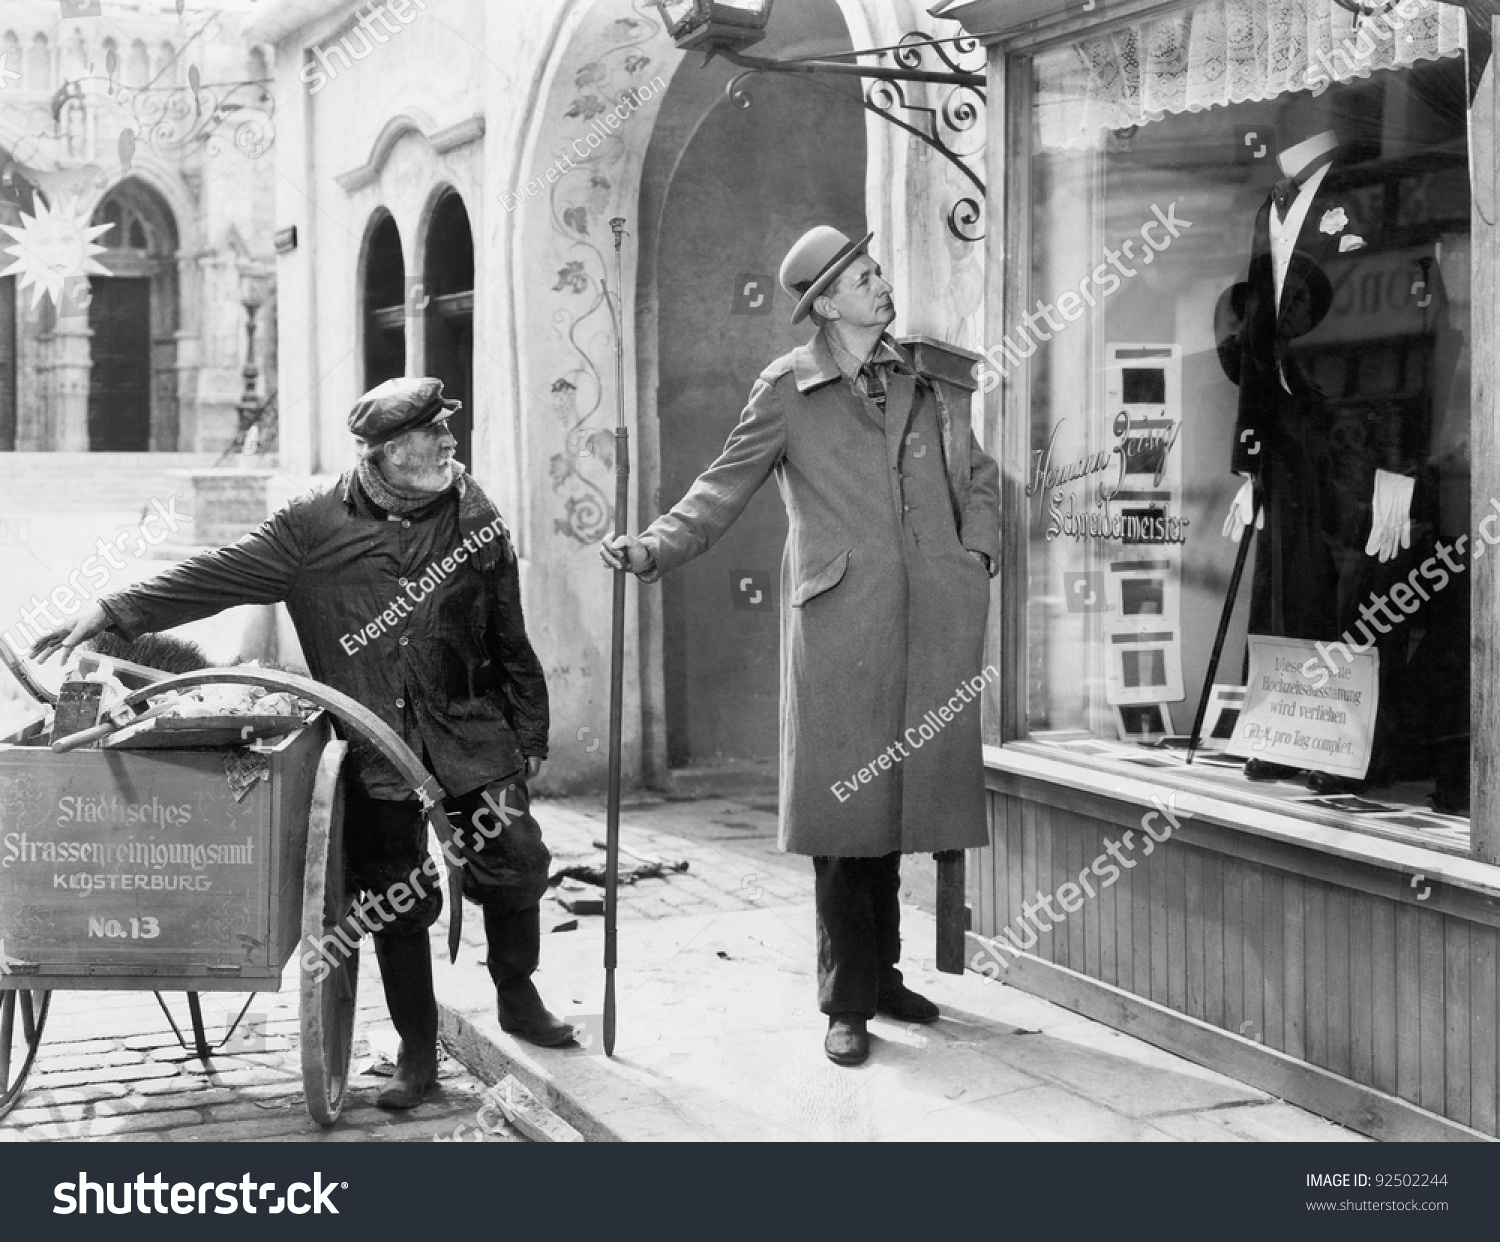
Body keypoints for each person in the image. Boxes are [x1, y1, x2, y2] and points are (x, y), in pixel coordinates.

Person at [33, 377, 575, 1110]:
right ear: (389, 452)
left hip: (469, 731)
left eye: (448, 431)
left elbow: (510, 634)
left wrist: (529, 730)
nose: (452, 443)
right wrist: (112, 607)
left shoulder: (474, 519)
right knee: (392, 893)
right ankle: (419, 1053)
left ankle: (517, 993)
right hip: (374, 741)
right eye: (433, 435)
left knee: (517, 863)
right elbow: (213, 576)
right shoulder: (312, 527)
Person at [601, 226, 1000, 1066]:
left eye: (878, 269)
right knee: (846, 815)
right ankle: (844, 1002)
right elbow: (721, 487)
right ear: (824, 304)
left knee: (898, 808)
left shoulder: (926, 375)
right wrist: (654, 547)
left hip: (932, 617)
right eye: (862, 277)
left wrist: (979, 554)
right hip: (843, 623)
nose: (882, 284)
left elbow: (979, 475)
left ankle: (882, 977)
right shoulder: (786, 391)